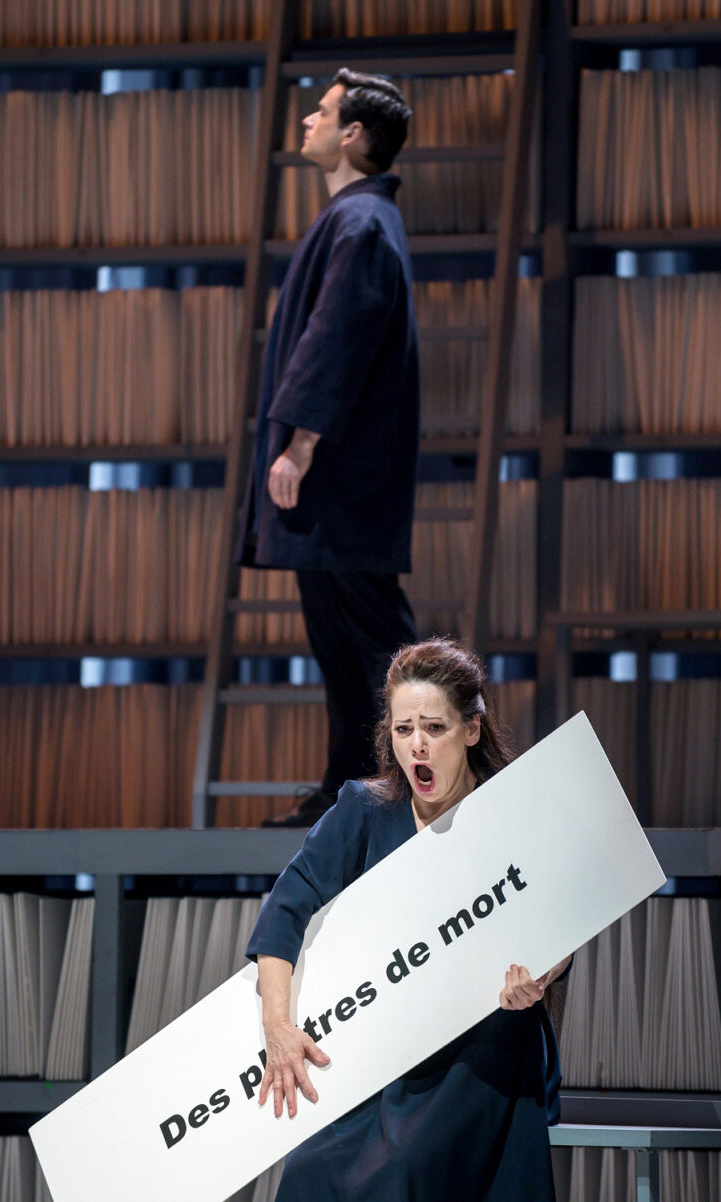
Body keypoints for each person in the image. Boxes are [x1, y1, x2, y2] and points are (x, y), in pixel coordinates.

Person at [246, 638, 573, 1201]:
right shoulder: (366, 810)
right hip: (382, 1055)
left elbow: (561, 923)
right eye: (403, 730)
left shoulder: (514, 809)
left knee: (401, 1176)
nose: (417, 746)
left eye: (434, 729)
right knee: (307, 1177)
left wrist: (540, 977)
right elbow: (285, 909)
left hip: (481, 1055)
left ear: (471, 730)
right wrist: (278, 1026)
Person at [237, 69, 420, 827]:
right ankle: (352, 789)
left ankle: (433, 782)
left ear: (352, 135)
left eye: (322, 112)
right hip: (339, 477)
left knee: (377, 643)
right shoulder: (355, 219)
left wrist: (301, 443)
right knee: (345, 649)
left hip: (342, 473)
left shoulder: (363, 225)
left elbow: (337, 338)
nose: (308, 121)